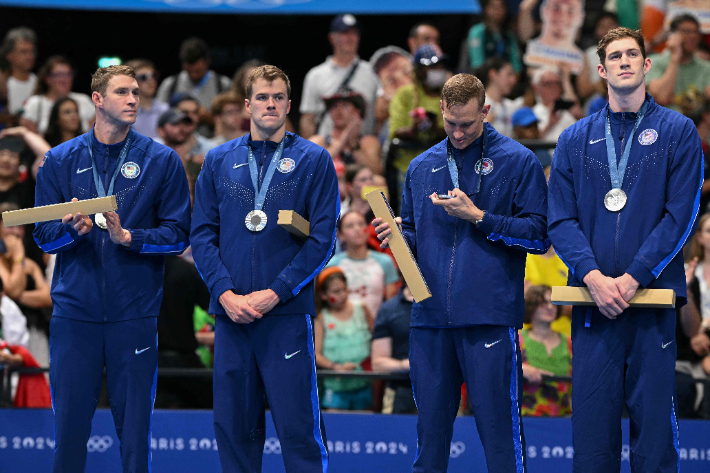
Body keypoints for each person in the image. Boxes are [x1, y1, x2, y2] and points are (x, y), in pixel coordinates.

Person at [374, 73, 549, 472]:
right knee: (430, 443)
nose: (458, 132)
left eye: (467, 123)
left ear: (485, 111)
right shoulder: (420, 167)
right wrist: (399, 235)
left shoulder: (518, 161)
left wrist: (479, 217)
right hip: (430, 321)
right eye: (450, 123)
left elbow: (539, 236)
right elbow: (418, 234)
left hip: (489, 319)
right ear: (441, 111)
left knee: (501, 440)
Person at [547, 27, 703, 472]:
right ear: (601, 70)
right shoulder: (574, 138)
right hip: (593, 302)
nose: (624, 61)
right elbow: (560, 218)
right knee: (592, 437)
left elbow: (680, 216)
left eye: (632, 54)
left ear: (647, 64)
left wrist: (633, 276)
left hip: (651, 304)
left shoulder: (678, 131)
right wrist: (594, 278)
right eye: (615, 57)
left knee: (653, 436)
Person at [33, 65, 191, 473]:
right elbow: (42, 236)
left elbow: (178, 235)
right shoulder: (60, 159)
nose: (134, 99)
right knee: (68, 432)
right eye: (122, 92)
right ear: (98, 100)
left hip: (133, 314)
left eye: (136, 92)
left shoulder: (162, 160)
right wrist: (72, 232)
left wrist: (130, 238)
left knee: (135, 434)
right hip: (74, 315)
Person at [190, 65, 338, 473]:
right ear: (247, 105)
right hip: (232, 314)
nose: (269, 104)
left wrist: (276, 292)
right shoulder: (219, 160)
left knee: (299, 430)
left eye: (277, 98)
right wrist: (224, 294)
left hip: (286, 315)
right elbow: (201, 235)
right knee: (234, 430)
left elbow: (323, 240)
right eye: (262, 97)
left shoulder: (314, 159)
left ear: (289, 105)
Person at [299, 14, 379, 138]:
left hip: (361, 147)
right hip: (328, 149)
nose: (350, 38)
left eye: (354, 33)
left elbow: (380, 116)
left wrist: (373, 145)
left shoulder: (373, 72)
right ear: (331, 38)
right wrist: (309, 152)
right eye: (344, 33)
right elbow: (308, 119)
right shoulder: (316, 75)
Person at [314, 267, 374, 411]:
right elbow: (315, 355)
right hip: (336, 388)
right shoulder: (321, 318)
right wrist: (337, 367)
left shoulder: (362, 308)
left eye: (344, 289)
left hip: (364, 385)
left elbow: (376, 339)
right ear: (323, 295)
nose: (342, 295)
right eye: (336, 292)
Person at [326, 211, 398, 316]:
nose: (357, 229)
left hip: (378, 326)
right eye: (350, 226)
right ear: (340, 235)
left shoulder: (385, 262)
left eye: (361, 224)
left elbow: (392, 303)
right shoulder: (333, 265)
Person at [519, 285, 572, 417]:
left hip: (564, 419)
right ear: (531, 307)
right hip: (525, 419)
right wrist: (520, 368)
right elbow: (494, 369)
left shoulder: (570, 343)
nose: (550, 307)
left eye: (553, 302)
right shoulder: (516, 340)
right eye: (543, 303)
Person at [646, 14, 710, 114]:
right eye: (686, 31)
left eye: (696, 32)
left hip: (694, 125)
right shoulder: (654, 62)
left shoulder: (705, 67)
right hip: (660, 125)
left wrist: (706, 122)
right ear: (672, 35)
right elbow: (661, 97)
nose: (693, 36)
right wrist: (675, 58)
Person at [309, 91, 382, 175]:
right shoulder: (318, 141)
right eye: (334, 106)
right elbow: (309, 168)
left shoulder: (368, 142)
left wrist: (354, 144)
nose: (338, 110)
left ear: (357, 112)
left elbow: (377, 172)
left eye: (345, 106)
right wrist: (341, 141)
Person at [372, 280, 416, 414]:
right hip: (401, 390)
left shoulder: (445, 306)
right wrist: (408, 365)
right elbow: (378, 363)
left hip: (442, 390)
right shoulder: (389, 309)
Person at [20, 56, 94, 135]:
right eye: (59, 75)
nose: (64, 79)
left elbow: (96, 135)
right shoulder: (35, 103)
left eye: (68, 74)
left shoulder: (83, 100)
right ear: (47, 78)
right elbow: (29, 137)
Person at [156, 37, 231, 114]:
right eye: (189, 71)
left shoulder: (223, 84)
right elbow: (160, 117)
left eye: (198, 71)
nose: (193, 75)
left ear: (207, 62)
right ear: (183, 65)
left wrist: (209, 118)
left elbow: (234, 119)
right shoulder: (170, 84)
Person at [523, 0, 586, 73]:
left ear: (580, 17)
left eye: (570, 11)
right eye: (556, 8)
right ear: (545, 10)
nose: (562, 17)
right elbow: (524, 11)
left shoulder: (582, 59)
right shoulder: (531, 46)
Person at [465, 0, 522, 74]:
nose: (497, 10)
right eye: (493, 6)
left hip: (507, 78)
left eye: (501, 6)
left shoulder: (509, 34)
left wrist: (513, 75)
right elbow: (477, 64)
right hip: (484, 78)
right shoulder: (477, 32)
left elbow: (516, 64)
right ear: (485, 8)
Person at [531, 66, 580, 141]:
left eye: (557, 83)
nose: (554, 88)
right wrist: (549, 125)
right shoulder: (533, 113)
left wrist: (579, 119)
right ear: (537, 88)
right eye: (548, 84)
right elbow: (530, 143)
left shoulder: (569, 111)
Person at [480, 57, 523, 137]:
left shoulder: (512, 106)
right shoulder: (477, 105)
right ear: (493, 74)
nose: (513, 80)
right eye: (509, 74)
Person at [126, 59, 169, 140]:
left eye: (154, 75)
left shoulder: (166, 110)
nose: (151, 80)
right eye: (143, 77)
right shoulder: (122, 112)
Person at [0, 27, 37, 116]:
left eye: (32, 51)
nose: (29, 57)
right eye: (23, 52)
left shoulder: (41, 83)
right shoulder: (2, 83)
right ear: (9, 55)